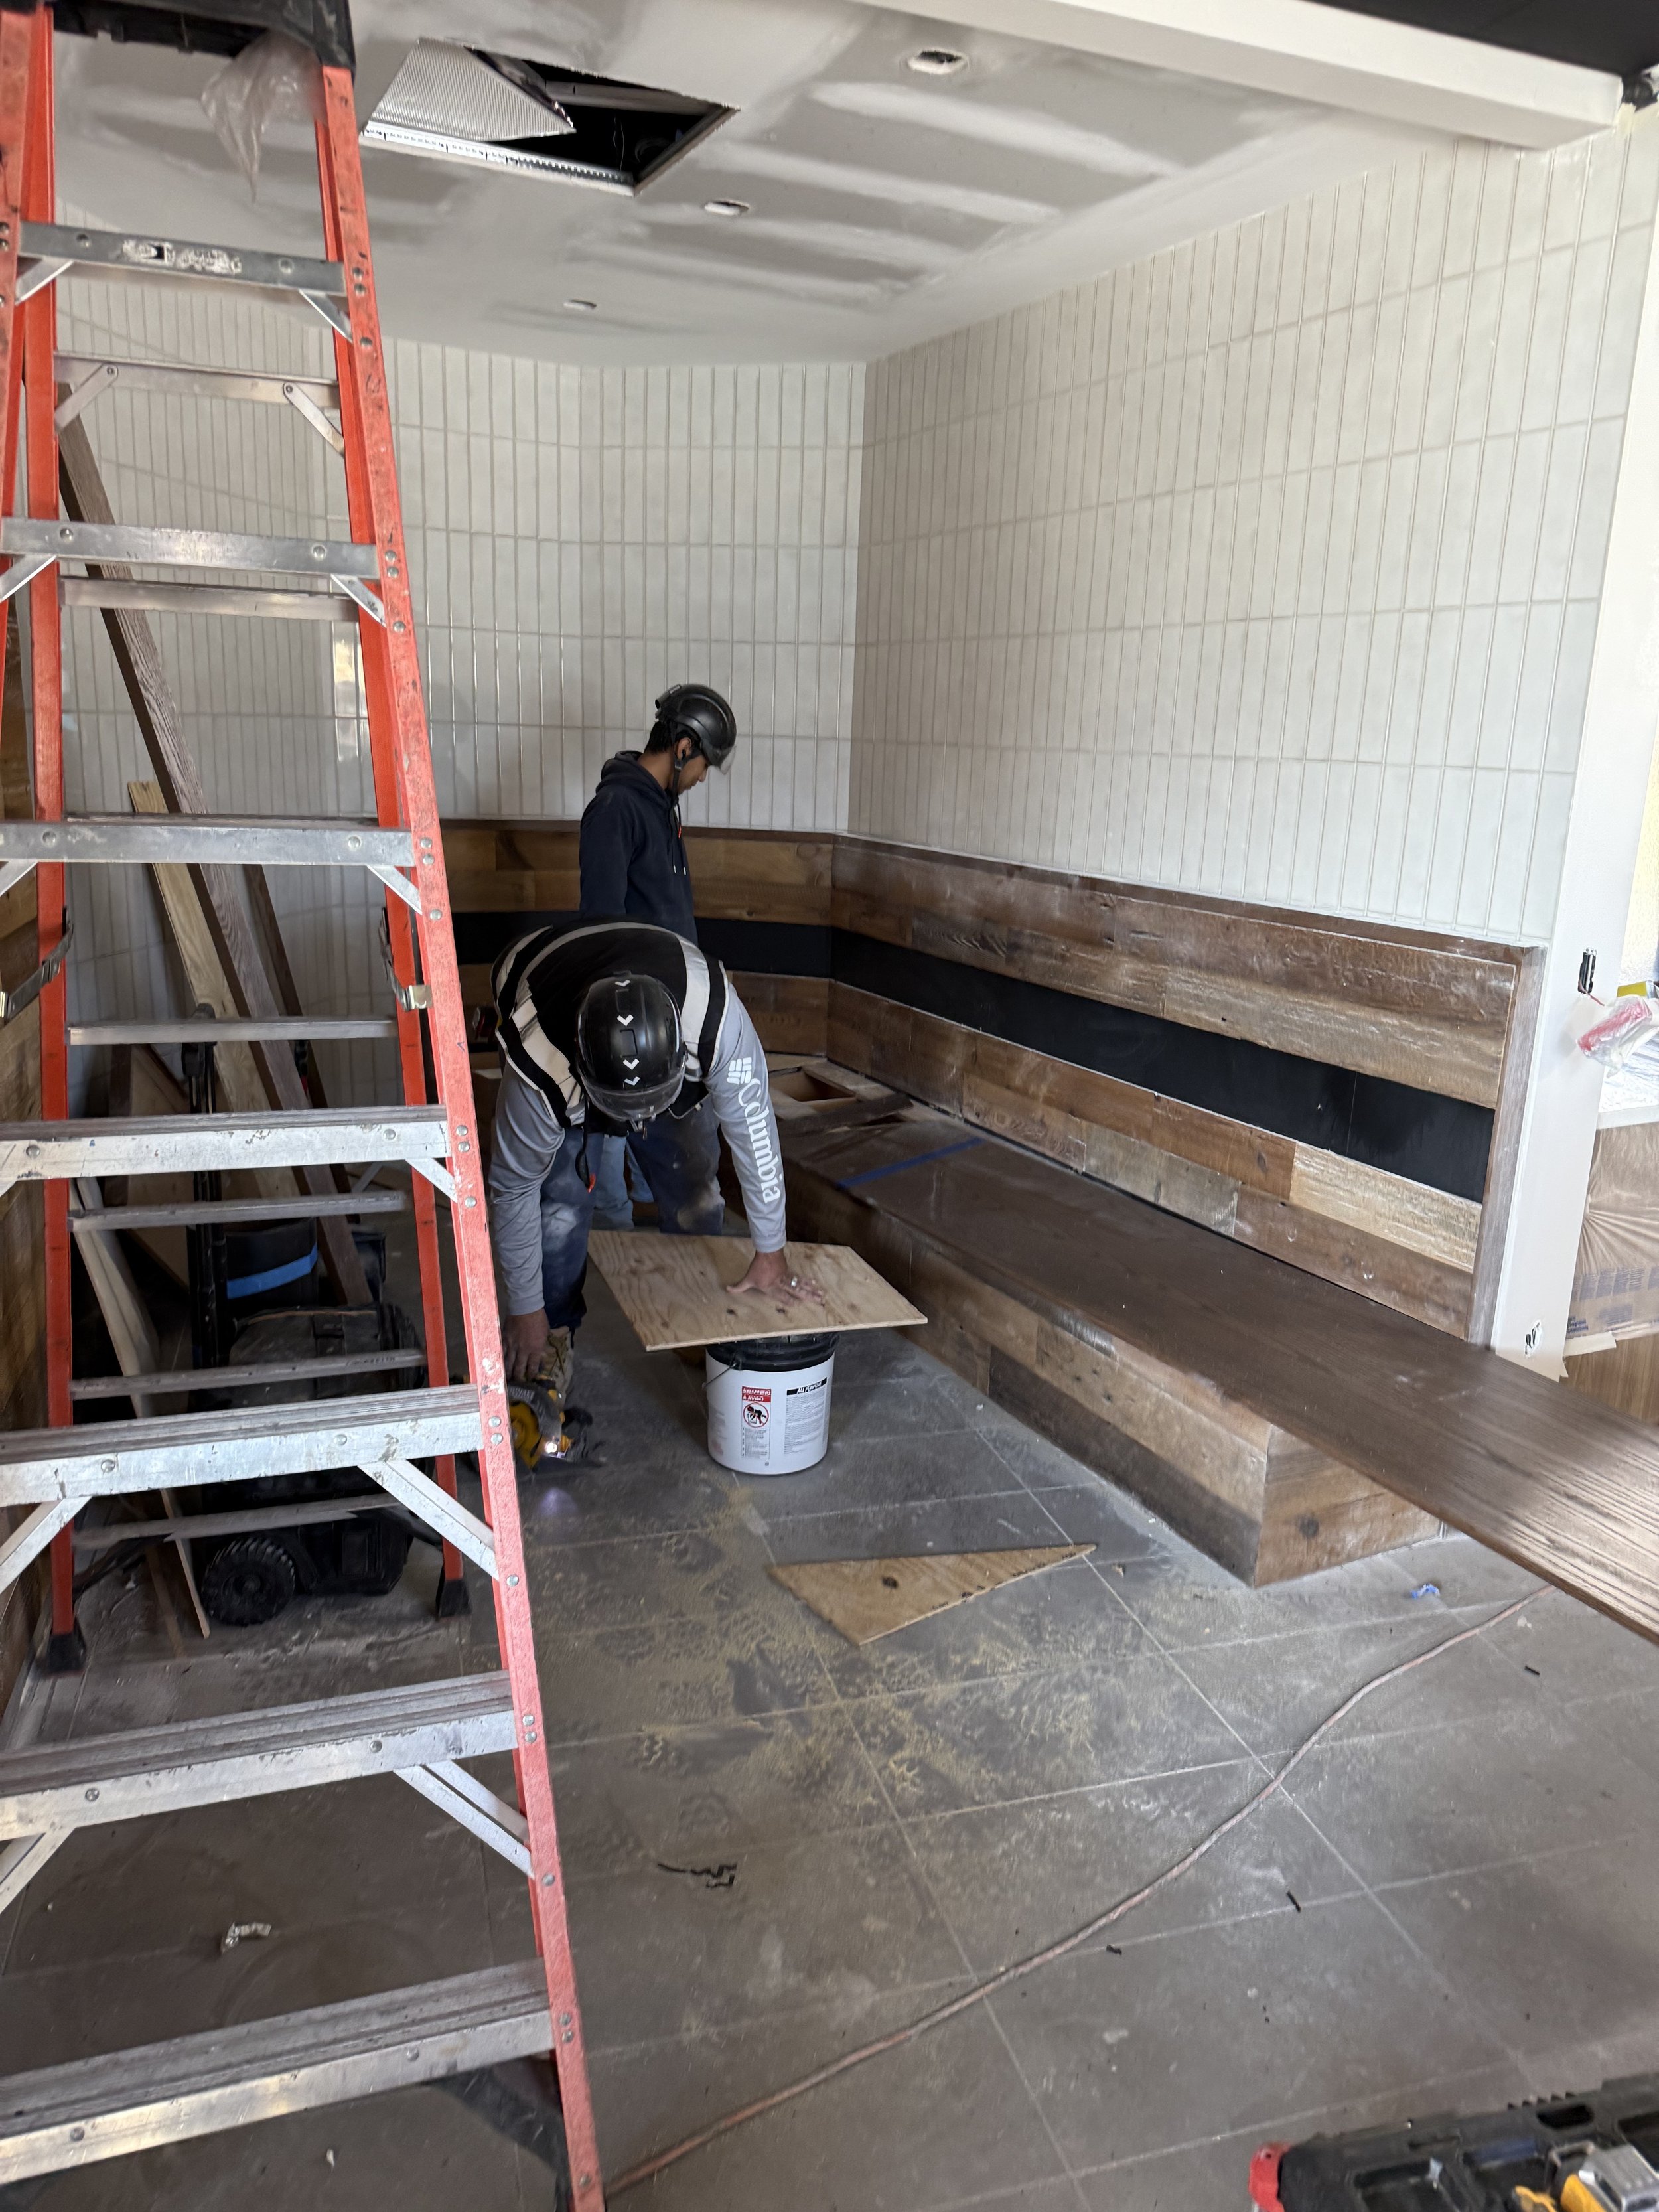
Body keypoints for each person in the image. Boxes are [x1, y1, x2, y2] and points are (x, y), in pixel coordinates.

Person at [487, 915, 811, 1394]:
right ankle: (551, 1334)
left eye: (648, 1110)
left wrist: (771, 1248)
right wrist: (524, 1308)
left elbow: (754, 1130)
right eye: (624, 1113)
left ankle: (700, 1318)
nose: (637, 1125)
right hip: (540, 970)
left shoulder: (715, 1020)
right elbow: (513, 1188)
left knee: (693, 1180)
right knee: (561, 1202)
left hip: (659, 983)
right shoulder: (539, 1062)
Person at [578, 684, 738, 1230]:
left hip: (675, 1018)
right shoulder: (615, 810)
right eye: (705, 764)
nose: (704, 777)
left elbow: (665, 915)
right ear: (685, 745)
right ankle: (615, 1259)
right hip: (633, 1024)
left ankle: (658, 1232)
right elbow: (601, 926)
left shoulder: (662, 808)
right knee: (610, 1172)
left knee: (685, 1178)